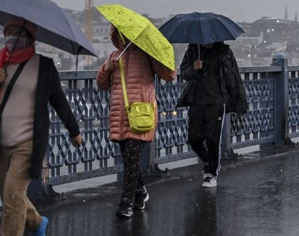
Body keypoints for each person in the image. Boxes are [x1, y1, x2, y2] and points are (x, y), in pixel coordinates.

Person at [0, 18, 83, 236]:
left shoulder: (43, 66)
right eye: (9, 32)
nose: (12, 37)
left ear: (30, 39)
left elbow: (58, 100)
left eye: (18, 33)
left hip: (28, 142)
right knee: (10, 197)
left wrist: (73, 130)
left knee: (13, 194)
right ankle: (37, 222)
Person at [97, 25, 176, 218]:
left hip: (140, 114)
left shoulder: (147, 56)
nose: (125, 39)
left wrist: (160, 60)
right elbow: (102, 84)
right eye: (121, 35)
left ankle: (126, 203)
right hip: (119, 114)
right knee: (128, 160)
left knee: (132, 159)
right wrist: (106, 70)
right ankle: (140, 193)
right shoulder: (114, 57)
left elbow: (169, 75)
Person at [177, 42, 247, 188]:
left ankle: (211, 174)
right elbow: (183, 73)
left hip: (217, 101)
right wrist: (194, 69)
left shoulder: (224, 51)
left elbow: (233, 76)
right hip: (196, 100)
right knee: (193, 139)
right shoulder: (193, 50)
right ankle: (209, 161)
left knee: (212, 139)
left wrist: (237, 101)